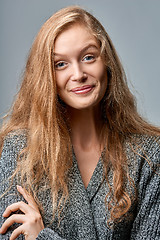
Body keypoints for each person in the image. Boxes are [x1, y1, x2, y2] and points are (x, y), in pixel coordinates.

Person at [0, 5, 160, 240]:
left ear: (106, 62)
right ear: (47, 75)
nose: (78, 74)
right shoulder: (20, 151)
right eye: (60, 64)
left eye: (88, 57)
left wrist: (43, 237)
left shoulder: (149, 155)